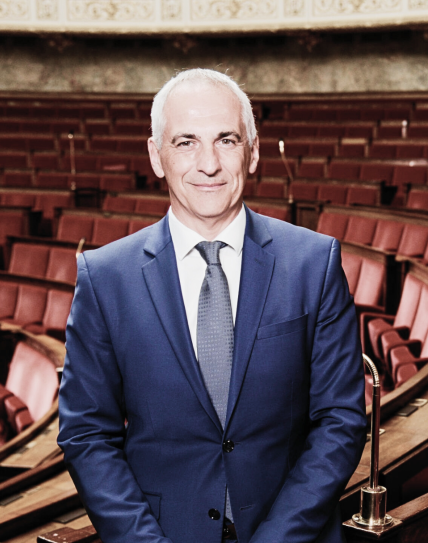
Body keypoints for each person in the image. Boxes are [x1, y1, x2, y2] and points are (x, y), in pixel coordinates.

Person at [57, 68, 368, 543]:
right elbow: (87, 434)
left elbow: (340, 421)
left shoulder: (314, 262)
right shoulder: (104, 277)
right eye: (185, 142)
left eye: (226, 140)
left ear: (253, 152)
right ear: (156, 156)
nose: (209, 164)